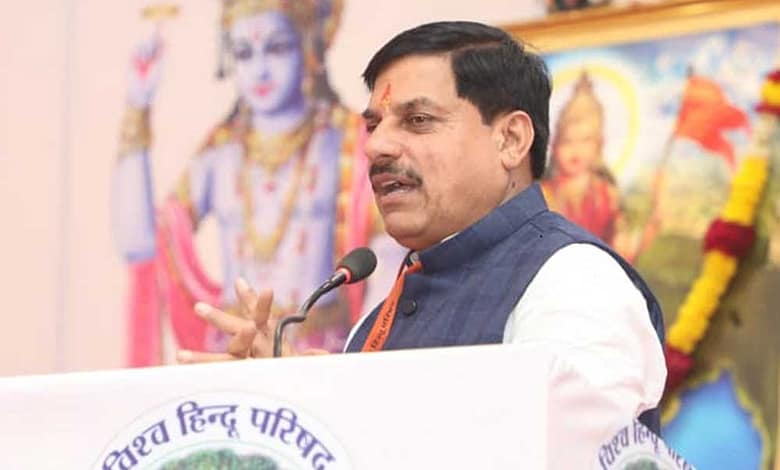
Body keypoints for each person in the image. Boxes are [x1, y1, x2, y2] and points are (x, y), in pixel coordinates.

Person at [176, 21, 667, 436]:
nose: (376, 147)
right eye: (374, 125)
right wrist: (292, 404)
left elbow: (554, 450)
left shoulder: (573, 280)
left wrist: (322, 403)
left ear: (511, 139)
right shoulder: (381, 315)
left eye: (417, 120)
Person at [112, 0, 404, 366]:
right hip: (236, 357)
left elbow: (392, 259)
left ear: (307, 45)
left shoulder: (348, 142)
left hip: (324, 362)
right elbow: (139, 243)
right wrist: (137, 108)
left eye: (276, 48)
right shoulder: (221, 153)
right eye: (244, 53)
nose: (260, 70)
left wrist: (364, 362)